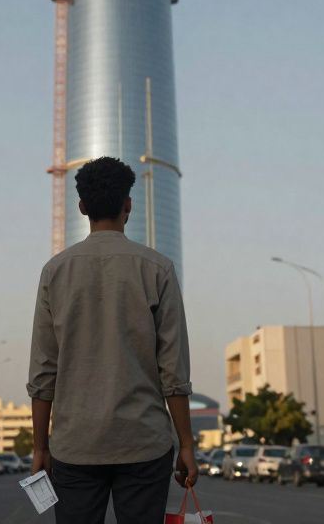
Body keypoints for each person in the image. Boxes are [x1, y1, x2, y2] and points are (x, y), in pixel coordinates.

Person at [27, 156, 197, 524]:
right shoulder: (157, 268)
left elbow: (43, 373)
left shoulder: (55, 271)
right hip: (144, 443)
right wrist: (186, 443)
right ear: (128, 205)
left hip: (75, 446)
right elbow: (174, 371)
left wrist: (40, 447)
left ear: (82, 207)